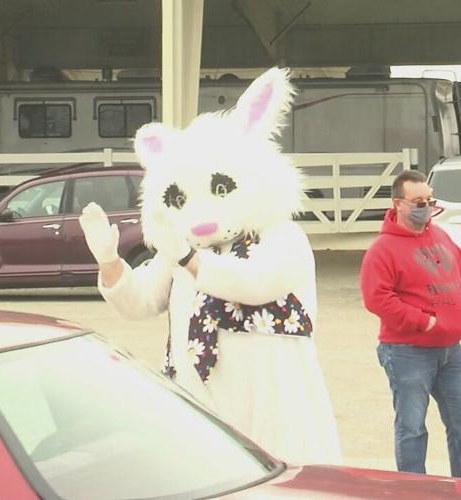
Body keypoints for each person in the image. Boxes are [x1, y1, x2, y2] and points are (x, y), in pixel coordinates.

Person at [78, 68, 341, 465]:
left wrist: (188, 258)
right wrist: (110, 262)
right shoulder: (179, 250)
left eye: (220, 190)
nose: (201, 214)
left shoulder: (281, 238)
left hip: (273, 407)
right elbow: (141, 301)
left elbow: (257, 284)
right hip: (200, 406)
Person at [360, 170, 461, 479]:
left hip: (450, 351)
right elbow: (378, 299)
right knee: (412, 427)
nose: (425, 206)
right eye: (418, 201)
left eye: (429, 200)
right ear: (398, 204)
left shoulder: (440, 236)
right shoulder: (382, 250)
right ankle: (413, 489)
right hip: (407, 351)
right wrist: (424, 323)